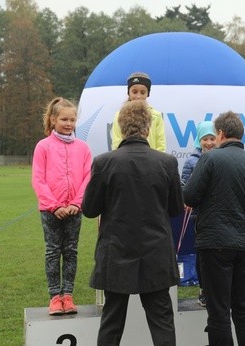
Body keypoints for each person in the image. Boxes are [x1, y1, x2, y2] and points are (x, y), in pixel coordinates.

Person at [82, 100, 183, 346]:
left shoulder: (105, 162)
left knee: (112, 322)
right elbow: (175, 209)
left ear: (121, 127)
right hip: (155, 251)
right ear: (148, 128)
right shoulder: (166, 163)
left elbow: (89, 209)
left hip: (117, 251)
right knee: (162, 322)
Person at [183, 111, 245, 346]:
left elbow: (189, 195)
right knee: (243, 308)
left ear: (220, 134)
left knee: (218, 311)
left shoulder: (210, 159)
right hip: (243, 244)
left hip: (214, 244)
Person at [31, 97, 92, 315]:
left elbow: (87, 177)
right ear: (53, 119)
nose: (68, 123)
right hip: (50, 211)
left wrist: (77, 203)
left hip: (75, 210)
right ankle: (55, 297)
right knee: (52, 252)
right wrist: (54, 205)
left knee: (71, 252)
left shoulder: (83, 148)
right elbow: (38, 179)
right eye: (64, 119)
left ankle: (68, 295)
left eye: (72, 119)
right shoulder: (43, 146)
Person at [180, 120, 216, 307]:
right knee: (201, 255)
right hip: (199, 216)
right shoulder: (191, 161)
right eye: (205, 139)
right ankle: (203, 291)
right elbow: (185, 187)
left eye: (212, 138)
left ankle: (216, 290)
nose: (209, 142)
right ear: (198, 140)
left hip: (217, 215)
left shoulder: (220, 157)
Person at [111, 72, 166, 151]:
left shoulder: (156, 116)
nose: (138, 96)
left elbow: (161, 146)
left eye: (143, 92)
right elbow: (116, 145)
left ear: (147, 94)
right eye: (134, 92)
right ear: (128, 93)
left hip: (152, 161)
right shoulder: (119, 115)